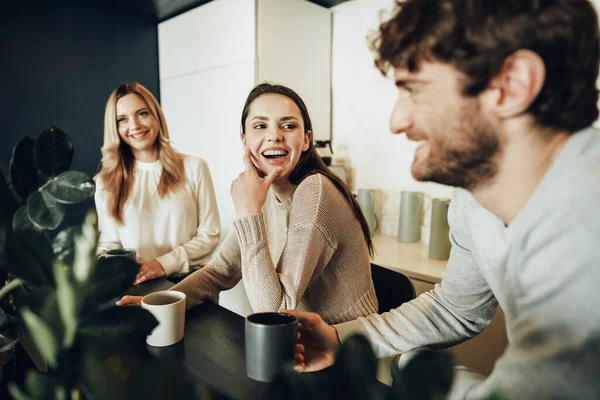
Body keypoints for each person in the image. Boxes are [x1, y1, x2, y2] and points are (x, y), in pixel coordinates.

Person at [283, 0, 600, 399]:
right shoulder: (474, 196)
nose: (397, 122)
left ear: (512, 85)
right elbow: (455, 308)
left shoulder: (587, 228)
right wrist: (339, 338)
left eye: (414, 91)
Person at [118, 83, 378, 324]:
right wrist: (160, 303)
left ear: (307, 140)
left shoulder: (315, 190)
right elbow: (219, 271)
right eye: (260, 126)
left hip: (350, 353)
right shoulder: (264, 193)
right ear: (244, 140)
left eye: (288, 126)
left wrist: (247, 213)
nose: (275, 136)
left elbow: (274, 313)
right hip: (304, 341)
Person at [95, 82, 221, 284]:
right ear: (115, 128)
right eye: (122, 119)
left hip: (191, 283)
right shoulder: (105, 182)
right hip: (137, 285)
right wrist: (102, 255)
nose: (135, 125)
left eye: (142, 113)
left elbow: (209, 236)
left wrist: (162, 264)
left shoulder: (194, 167)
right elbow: (109, 241)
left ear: (156, 116)